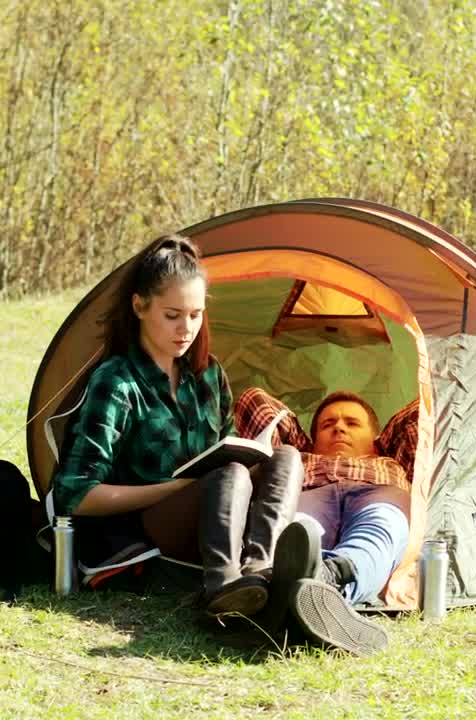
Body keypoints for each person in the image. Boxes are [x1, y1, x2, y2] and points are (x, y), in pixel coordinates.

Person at [50, 234, 303, 616]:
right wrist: (176, 488)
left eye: (195, 315)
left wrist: (254, 461)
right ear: (139, 306)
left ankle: (260, 569)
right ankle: (221, 586)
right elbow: (75, 496)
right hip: (146, 528)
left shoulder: (208, 374)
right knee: (230, 474)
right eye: (172, 315)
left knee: (286, 457)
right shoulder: (116, 382)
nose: (186, 328)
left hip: (215, 514)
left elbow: (228, 451)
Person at [264, 391, 410, 655]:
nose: (339, 428)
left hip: (379, 491)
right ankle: (312, 595)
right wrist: (301, 443)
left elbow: (428, 408)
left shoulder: (391, 458)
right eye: (327, 424)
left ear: (377, 440)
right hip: (311, 491)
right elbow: (255, 401)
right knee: (297, 530)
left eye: (352, 423)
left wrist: (386, 440)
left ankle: (329, 583)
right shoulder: (300, 458)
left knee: (378, 526)